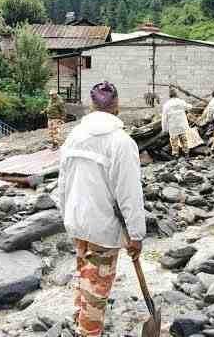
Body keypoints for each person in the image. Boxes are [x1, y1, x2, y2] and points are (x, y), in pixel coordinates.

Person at [57, 81, 145, 337]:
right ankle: (88, 331)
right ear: (117, 105)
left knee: (85, 273)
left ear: (91, 104)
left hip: (77, 219)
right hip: (103, 228)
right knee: (97, 286)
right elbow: (129, 193)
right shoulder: (121, 142)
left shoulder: (75, 135)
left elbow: (63, 182)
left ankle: (80, 320)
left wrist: (67, 216)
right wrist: (136, 234)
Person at [162, 88, 192, 157]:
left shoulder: (166, 105)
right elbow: (189, 107)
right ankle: (186, 155)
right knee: (184, 141)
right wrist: (190, 105)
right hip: (182, 126)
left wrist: (164, 129)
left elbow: (164, 118)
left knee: (174, 143)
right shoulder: (180, 102)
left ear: (169, 96)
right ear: (176, 94)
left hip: (173, 127)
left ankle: (176, 156)